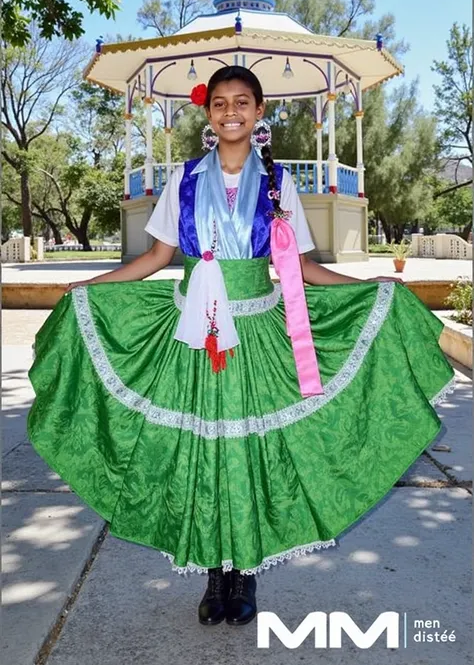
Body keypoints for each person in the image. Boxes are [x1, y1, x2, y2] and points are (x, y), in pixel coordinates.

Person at [27, 66, 455, 629]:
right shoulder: (183, 180)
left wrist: (373, 290)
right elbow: (155, 258)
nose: (231, 111)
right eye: (220, 103)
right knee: (203, 452)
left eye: (243, 102)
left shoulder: (279, 185)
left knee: (245, 452)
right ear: (208, 115)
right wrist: (92, 286)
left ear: (259, 113)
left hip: (255, 334)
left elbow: (298, 268)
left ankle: (244, 573)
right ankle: (213, 573)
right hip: (193, 335)